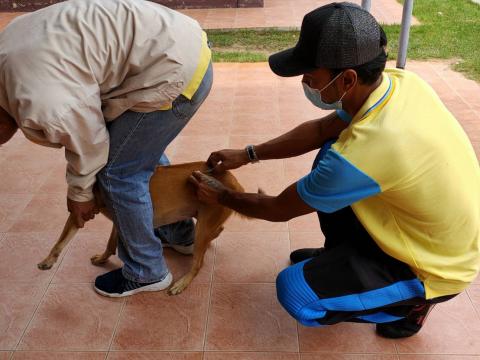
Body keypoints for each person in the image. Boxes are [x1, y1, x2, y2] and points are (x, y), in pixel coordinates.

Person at [188, 2, 480, 338]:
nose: (306, 81)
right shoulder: (398, 84)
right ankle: (340, 255)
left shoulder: (371, 146)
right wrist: (248, 153)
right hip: (423, 229)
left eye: (311, 75)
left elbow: (279, 209)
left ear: (347, 79)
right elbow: (319, 131)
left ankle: (411, 307)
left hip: (435, 267)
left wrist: (222, 196)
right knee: (329, 150)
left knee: (296, 293)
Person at [0, 0, 212, 297]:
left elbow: (90, 142)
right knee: (136, 155)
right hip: (179, 41)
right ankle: (179, 233)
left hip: (173, 71)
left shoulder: (41, 99)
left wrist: (80, 194)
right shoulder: (7, 56)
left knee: (118, 174)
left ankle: (146, 271)